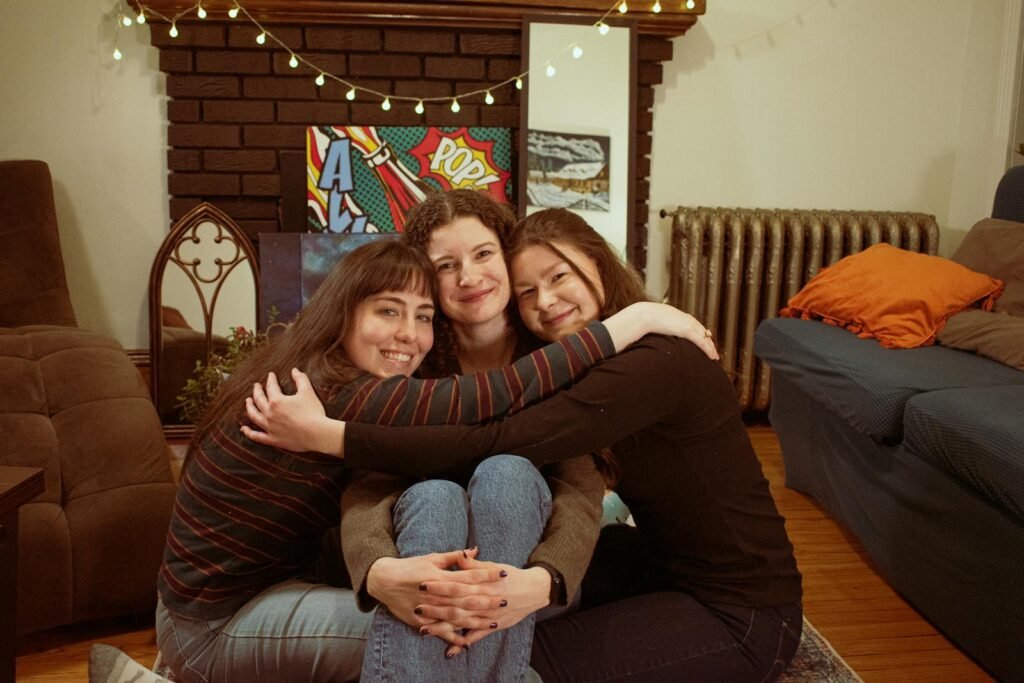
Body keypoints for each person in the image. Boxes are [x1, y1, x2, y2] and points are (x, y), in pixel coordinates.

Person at [249, 208, 804, 682]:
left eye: (560, 276)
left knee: (502, 655)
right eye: (529, 292)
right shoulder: (467, 360)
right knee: (472, 615)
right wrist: (384, 570)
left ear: (598, 264)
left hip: (743, 611)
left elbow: (514, 443)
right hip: (655, 564)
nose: (548, 301)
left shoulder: (656, 362)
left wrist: (333, 436)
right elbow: (381, 486)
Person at [154, 237, 708, 683]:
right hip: (210, 628)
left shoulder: (342, 383)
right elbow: (493, 398)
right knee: (448, 624)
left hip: (288, 580)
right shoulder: (335, 391)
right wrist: (632, 322)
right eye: (388, 311)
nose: (408, 335)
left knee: (468, 588)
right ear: (341, 312)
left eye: (422, 316)